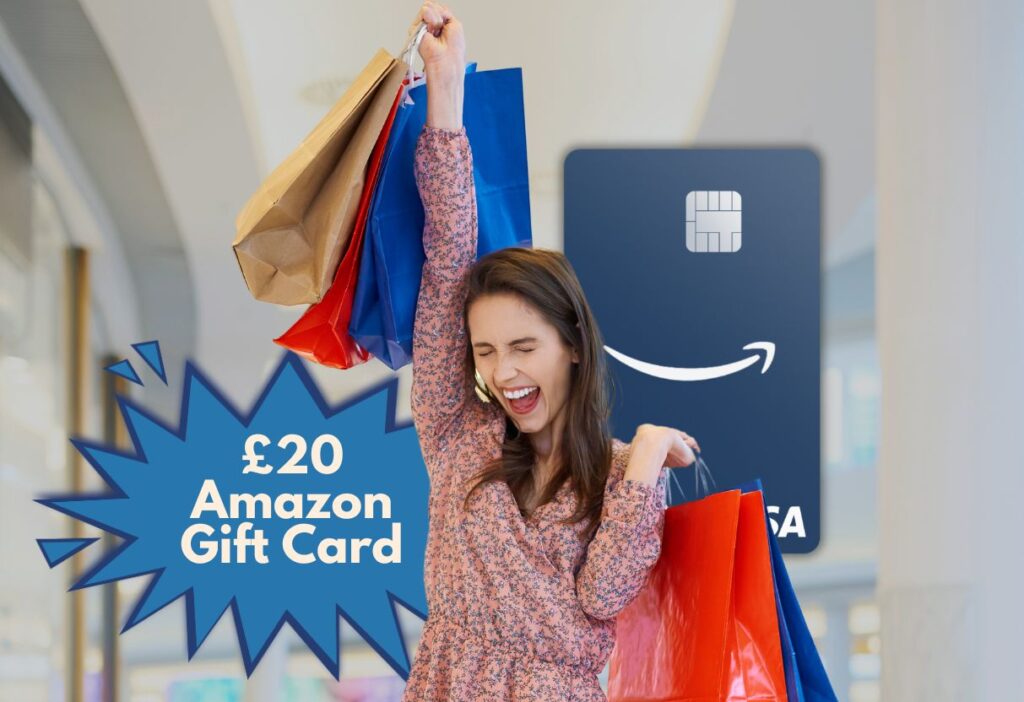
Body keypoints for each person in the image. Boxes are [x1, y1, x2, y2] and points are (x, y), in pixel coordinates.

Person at [403, 3, 701, 700]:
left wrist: (649, 455)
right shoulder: (456, 436)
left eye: (523, 346)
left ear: (572, 346)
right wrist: (445, 95)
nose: (502, 372)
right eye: (484, 350)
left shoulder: (618, 474)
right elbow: (448, 258)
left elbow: (605, 595)